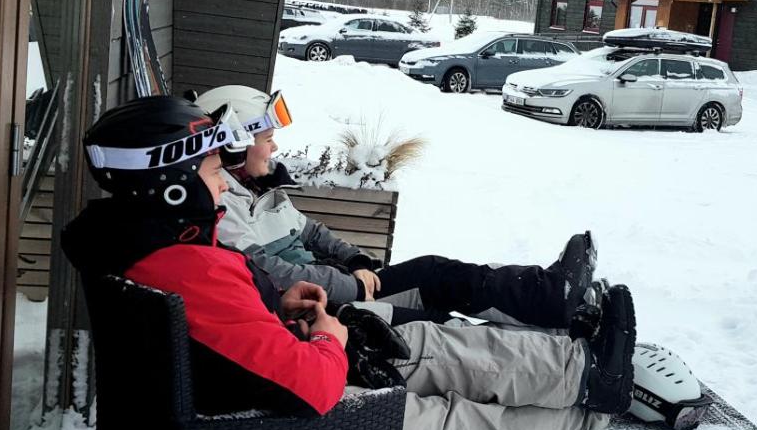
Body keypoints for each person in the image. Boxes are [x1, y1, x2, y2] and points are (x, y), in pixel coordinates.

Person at [61, 96, 637, 430]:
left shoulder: (142, 247)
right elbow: (307, 385)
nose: (222, 185)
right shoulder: (186, 267)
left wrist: (280, 310)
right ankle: (589, 409)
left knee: (423, 341)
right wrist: (329, 339)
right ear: (171, 188)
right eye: (213, 173)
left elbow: (222, 334)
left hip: (260, 398)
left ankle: (580, 371)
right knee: (453, 420)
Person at [193, 84, 598, 332]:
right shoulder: (218, 204)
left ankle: (551, 297)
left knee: (437, 272)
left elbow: (311, 232)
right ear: (235, 143)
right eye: (267, 138)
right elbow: (270, 273)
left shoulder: (261, 188)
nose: (275, 147)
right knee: (438, 324)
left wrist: (354, 259)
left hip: (341, 286)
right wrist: (352, 286)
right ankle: (559, 332)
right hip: (325, 307)